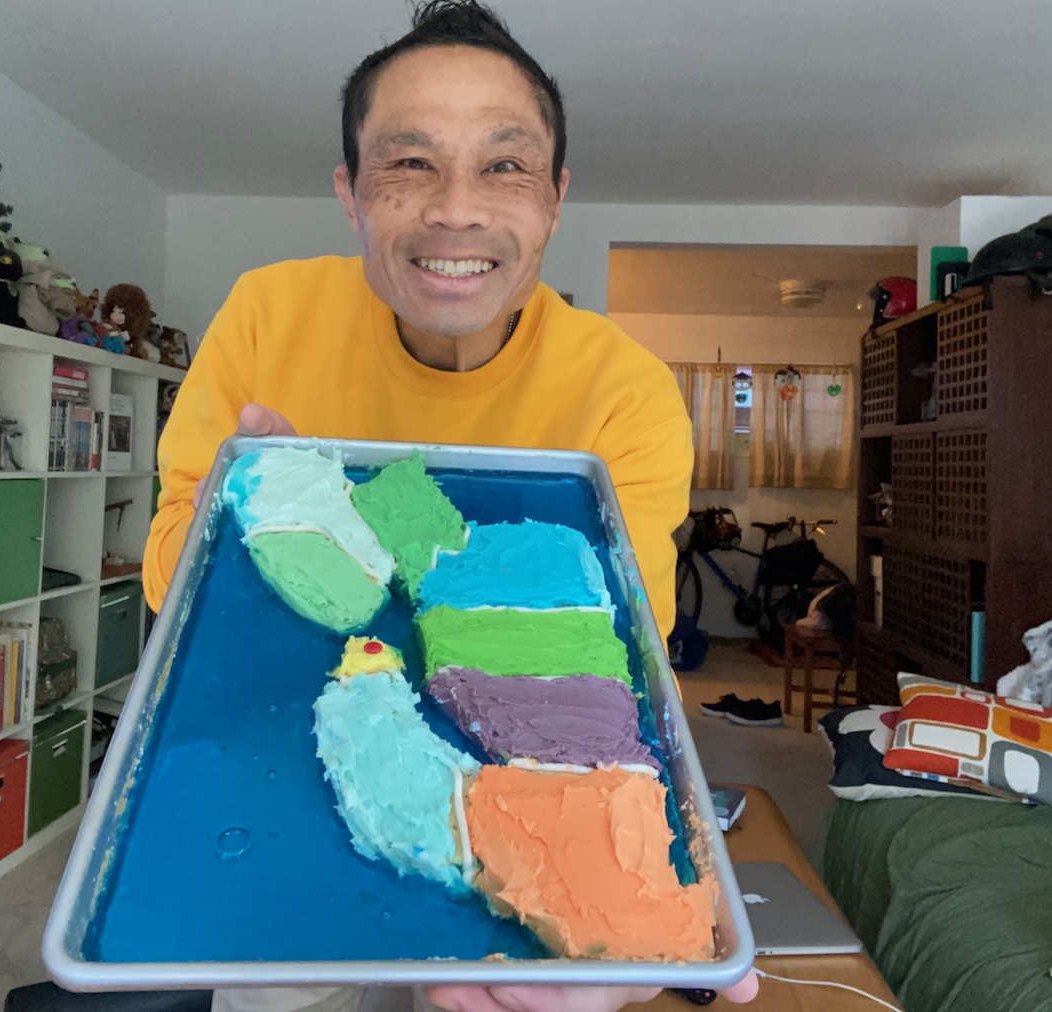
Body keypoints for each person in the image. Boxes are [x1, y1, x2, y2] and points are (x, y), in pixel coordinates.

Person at [144, 2, 757, 1009]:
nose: (455, 210)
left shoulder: (624, 394)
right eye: (409, 162)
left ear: (554, 199)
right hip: (274, 787)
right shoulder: (264, 316)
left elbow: (617, 674)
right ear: (351, 193)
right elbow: (173, 584)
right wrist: (255, 524)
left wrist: (626, 898)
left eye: (504, 165)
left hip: (517, 811)